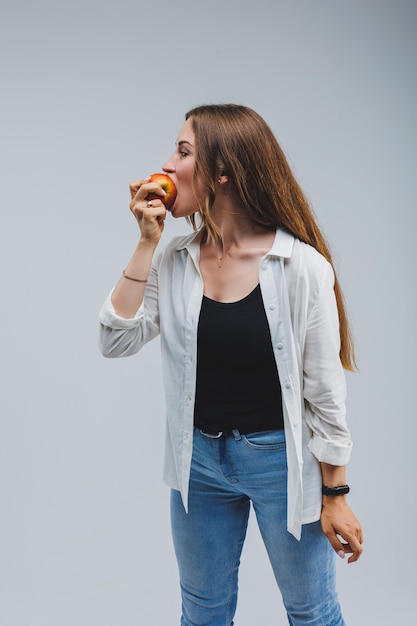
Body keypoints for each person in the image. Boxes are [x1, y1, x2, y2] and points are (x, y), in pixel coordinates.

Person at [99, 103, 363, 625]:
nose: (167, 167)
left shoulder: (303, 268)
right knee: (202, 614)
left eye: (183, 152)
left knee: (311, 612)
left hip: (279, 465)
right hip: (197, 463)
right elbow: (115, 340)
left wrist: (335, 494)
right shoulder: (174, 261)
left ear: (222, 172)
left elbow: (325, 393)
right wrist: (146, 242)